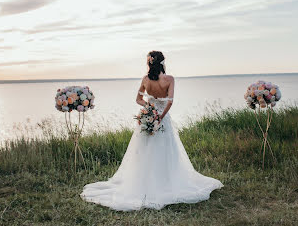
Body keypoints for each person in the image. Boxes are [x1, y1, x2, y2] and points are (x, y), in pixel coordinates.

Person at [80, 51, 223, 211]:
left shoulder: (145, 79)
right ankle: (165, 181)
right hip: (162, 119)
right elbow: (170, 101)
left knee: (144, 151)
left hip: (147, 118)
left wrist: (149, 109)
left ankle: (142, 182)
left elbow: (138, 99)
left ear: (149, 63)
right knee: (166, 150)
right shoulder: (169, 79)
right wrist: (159, 116)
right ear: (162, 63)